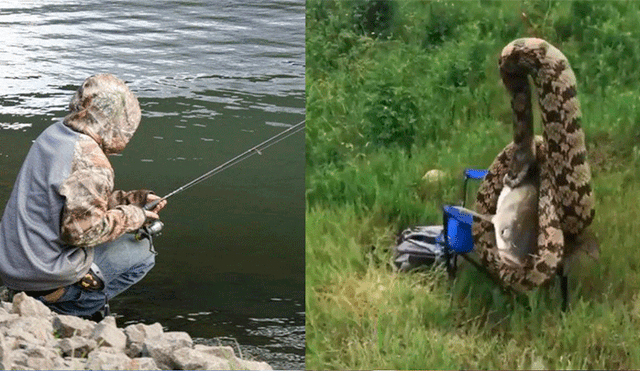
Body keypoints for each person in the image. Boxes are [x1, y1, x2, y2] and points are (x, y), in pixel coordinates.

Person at [0, 74, 166, 320]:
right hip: (41, 276)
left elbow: (66, 203)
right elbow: (80, 232)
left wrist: (130, 200)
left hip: (10, 266)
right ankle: (74, 309)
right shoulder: (92, 161)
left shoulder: (55, 134)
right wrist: (132, 217)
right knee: (142, 253)